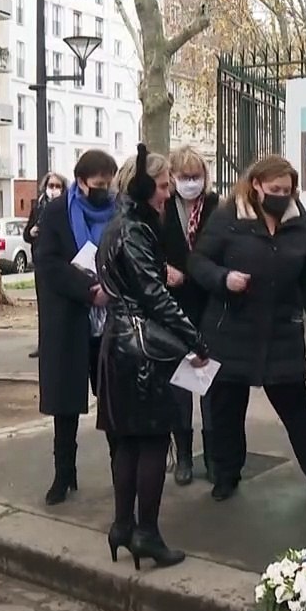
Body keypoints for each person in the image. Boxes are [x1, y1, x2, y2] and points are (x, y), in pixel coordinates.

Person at [188, 155, 306, 504]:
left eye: (287, 190)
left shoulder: (298, 220)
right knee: (226, 410)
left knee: (298, 412)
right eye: (274, 189)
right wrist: (224, 278)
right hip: (230, 330)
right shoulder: (228, 216)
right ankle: (226, 475)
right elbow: (198, 261)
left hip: (281, 330)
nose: (281, 195)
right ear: (256, 185)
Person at [96, 145, 208, 570]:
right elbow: (155, 296)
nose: (168, 193)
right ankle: (146, 532)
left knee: (127, 440)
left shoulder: (117, 226)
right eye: (162, 186)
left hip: (118, 341)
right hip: (141, 347)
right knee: (153, 441)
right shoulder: (136, 230)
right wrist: (195, 340)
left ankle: (123, 525)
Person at [34, 150, 118, 505]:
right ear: (81, 181)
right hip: (69, 319)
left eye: (109, 183)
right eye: (98, 183)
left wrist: (110, 288)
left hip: (111, 322)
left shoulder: (119, 211)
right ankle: (63, 474)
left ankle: (122, 472)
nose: (104, 189)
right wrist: (89, 291)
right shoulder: (56, 213)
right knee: (65, 405)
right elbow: (48, 263)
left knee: (114, 403)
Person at [160, 146, 220, 485]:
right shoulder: (163, 207)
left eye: (195, 176)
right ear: (173, 178)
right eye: (184, 177)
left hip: (209, 305)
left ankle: (213, 457)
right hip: (174, 306)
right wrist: (163, 269)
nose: (190, 183)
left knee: (210, 386)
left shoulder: (216, 207)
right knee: (179, 388)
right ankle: (183, 454)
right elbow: (150, 248)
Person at [25, 172, 66, 360]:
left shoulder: (66, 207)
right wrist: (31, 232)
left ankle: (60, 344)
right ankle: (43, 345)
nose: (54, 190)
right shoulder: (38, 207)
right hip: (40, 263)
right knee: (43, 307)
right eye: (51, 186)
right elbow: (27, 234)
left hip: (60, 263)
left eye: (58, 186)